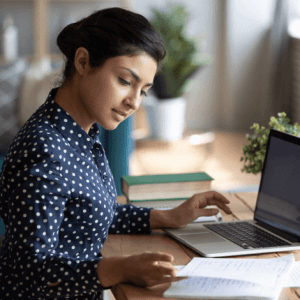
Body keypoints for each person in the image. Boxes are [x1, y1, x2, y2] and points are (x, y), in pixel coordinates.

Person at [0, 7, 232, 300]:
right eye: (125, 81)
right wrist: (119, 269)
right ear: (83, 61)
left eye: (144, 90)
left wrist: (166, 217)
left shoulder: (82, 134)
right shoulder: (44, 150)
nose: (134, 102)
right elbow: (30, 271)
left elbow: (86, 214)